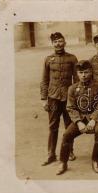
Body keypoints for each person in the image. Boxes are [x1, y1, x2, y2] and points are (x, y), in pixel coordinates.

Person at [56, 60, 98, 175]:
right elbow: (71, 107)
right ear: (77, 73)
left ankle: (95, 160)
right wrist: (78, 122)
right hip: (80, 118)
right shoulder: (72, 88)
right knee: (67, 134)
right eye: (81, 72)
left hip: (96, 118)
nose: (83, 75)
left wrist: (93, 119)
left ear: (91, 72)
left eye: (86, 72)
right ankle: (63, 162)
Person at [40, 32, 78, 166]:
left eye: (60, 41)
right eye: (55, 42)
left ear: (65, 42)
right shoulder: (48, 59)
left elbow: (77, 80)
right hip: (53, 97)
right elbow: (44, 80)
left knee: (69, 126)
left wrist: (76, 98)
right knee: (53, 126)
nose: (58, 44)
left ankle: (69, 151)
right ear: (52, 44)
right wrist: (44, 99)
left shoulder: (72, 58)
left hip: (68, 98)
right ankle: (51, 154)